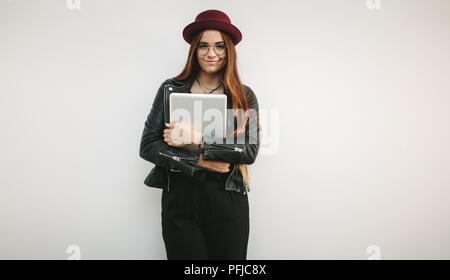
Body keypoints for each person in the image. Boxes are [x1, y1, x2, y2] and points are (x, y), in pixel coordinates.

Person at [139, 9, 261, 260]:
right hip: (180, 198)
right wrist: (199, 161)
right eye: (203, 46)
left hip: (227, 199)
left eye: (219, 46)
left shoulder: (243, 95)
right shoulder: (170, 89)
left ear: (229, 51)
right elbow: (148, 145)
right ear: (194, 49)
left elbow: (249, 151)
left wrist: (196, 138)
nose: (211, 53)